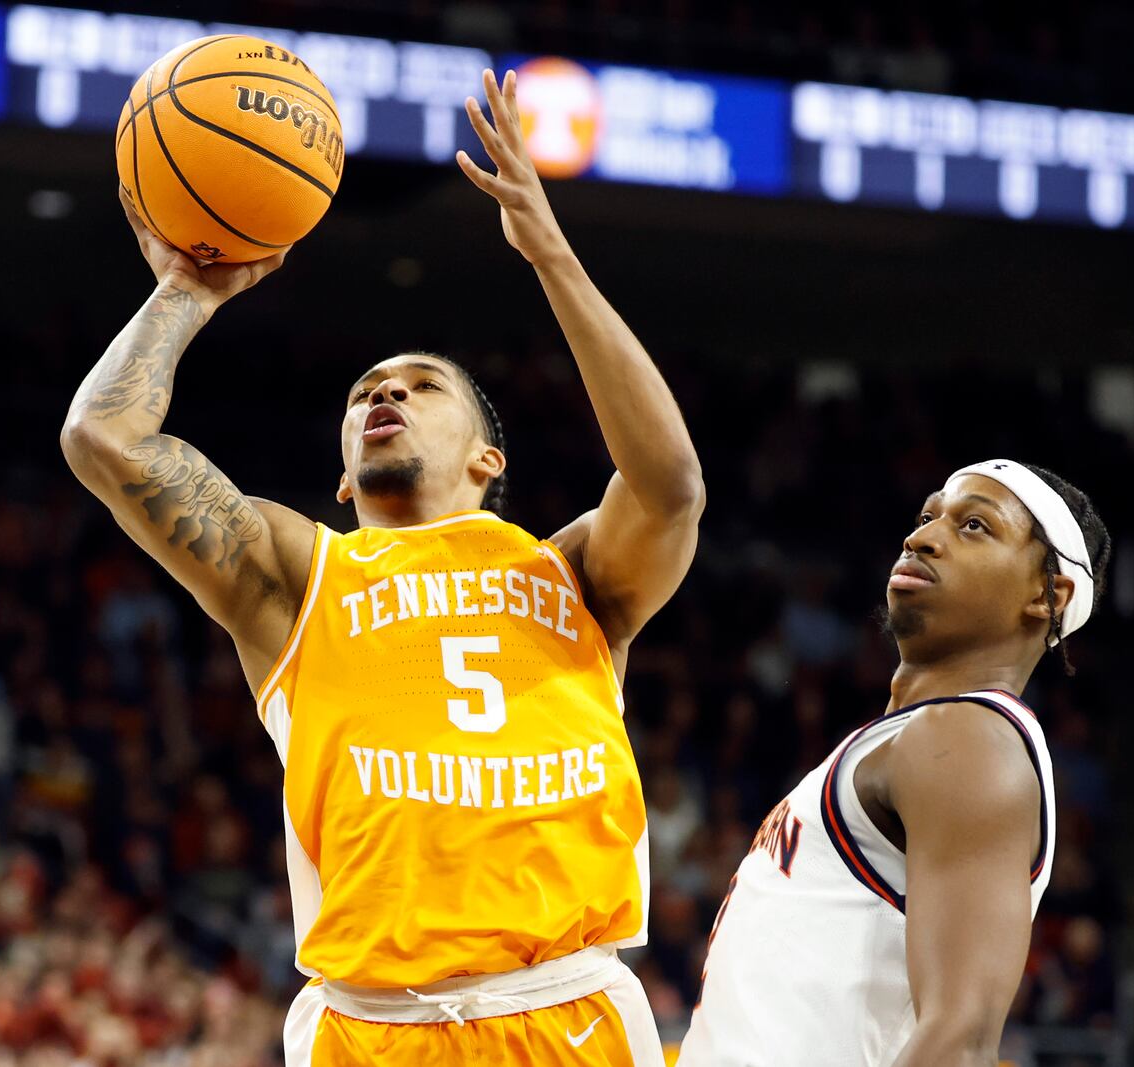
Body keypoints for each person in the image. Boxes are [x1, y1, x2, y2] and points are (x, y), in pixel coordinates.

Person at [60, 68, 703, 1066]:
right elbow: (104, 436)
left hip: (565, 1014)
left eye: (419, 385)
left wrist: (552, 255)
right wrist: (186, 290)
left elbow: (667, 484)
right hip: (370, 1027)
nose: (384, 394)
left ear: (490, 459)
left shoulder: (574, 573)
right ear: (344, 477)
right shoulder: (296, 575)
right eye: (365, 390)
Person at [679, 461, 1111, 1067]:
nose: (923, 537)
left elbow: (959, 1044)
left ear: (1047, 594)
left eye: (975, 527)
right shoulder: (909, 739)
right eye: (927, 517)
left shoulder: (967, 739)